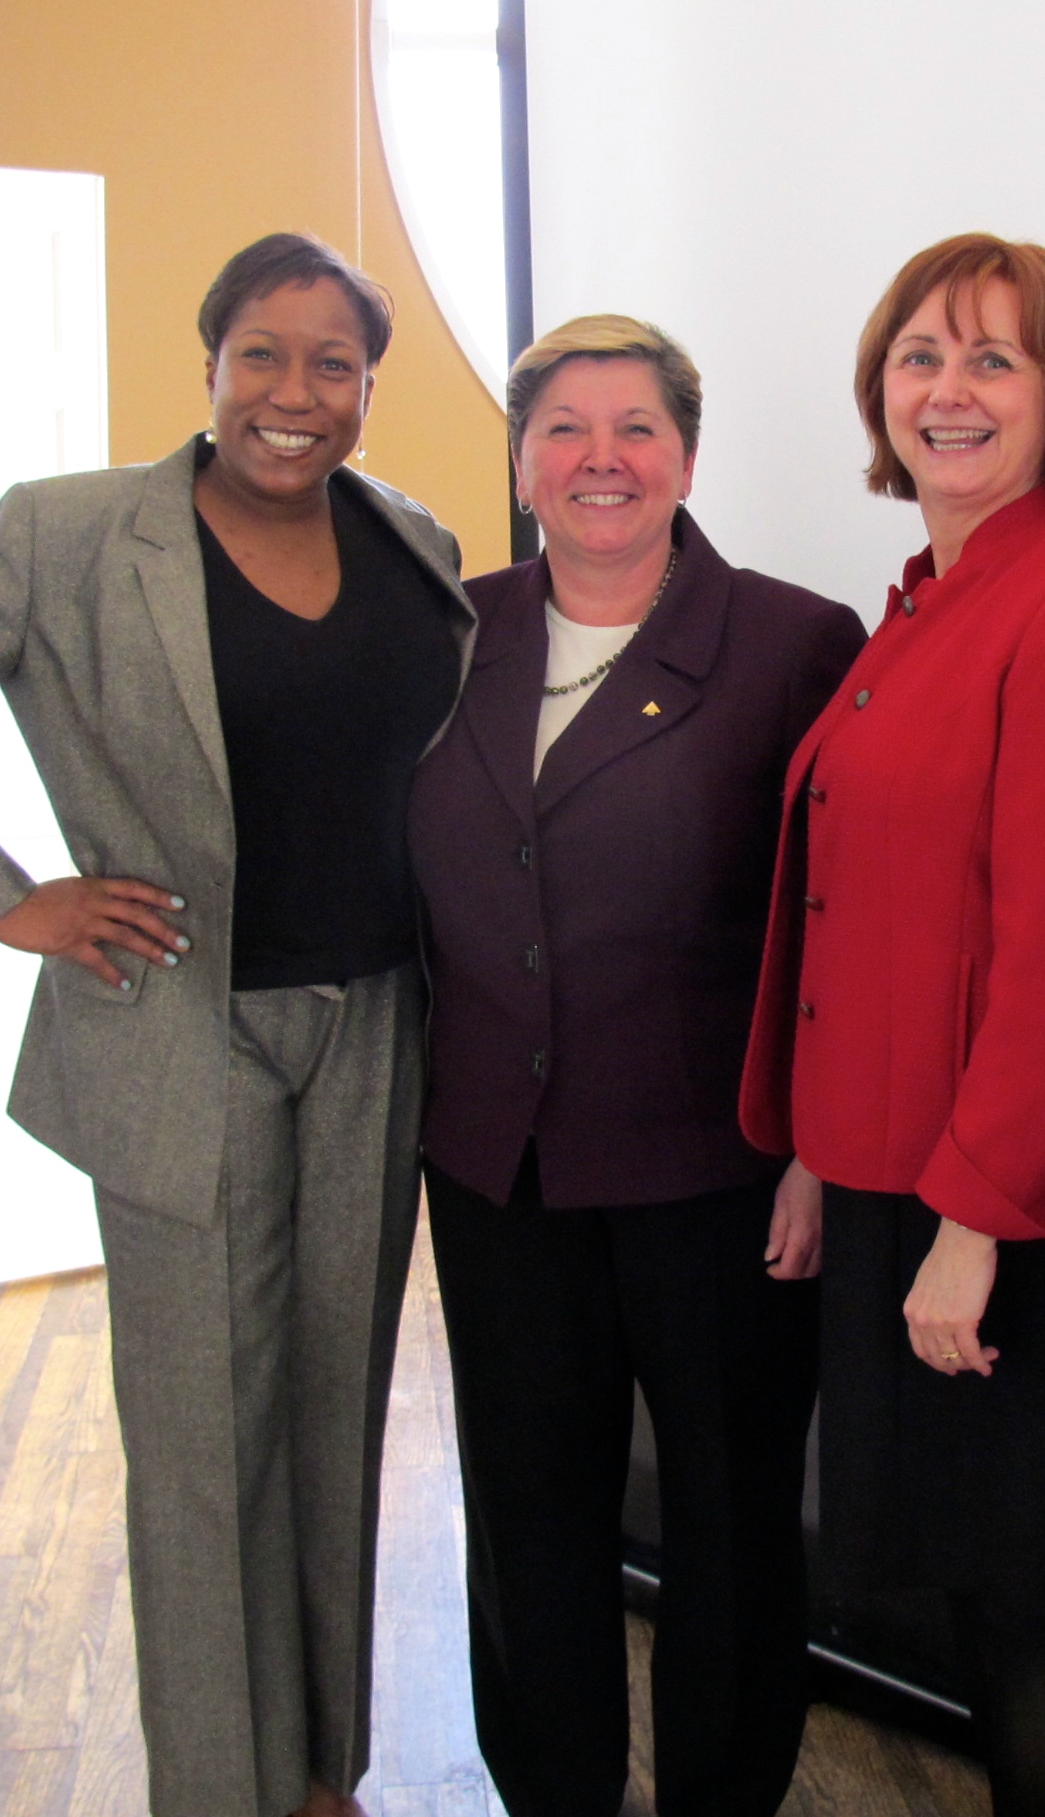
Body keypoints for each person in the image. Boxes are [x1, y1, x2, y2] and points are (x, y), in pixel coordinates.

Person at [0, 232, 475, 1817]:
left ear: (368, 386)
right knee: (197, 1444)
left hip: (374, 1027)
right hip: (182, 1032)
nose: (294, 396)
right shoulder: (72, 536)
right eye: (262, 356)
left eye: (333, 364)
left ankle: (322, 1768)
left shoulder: (419, 545)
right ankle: (219, 1790)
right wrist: (3, 890)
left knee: (332, 1414)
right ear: (210, 362)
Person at [406, 314, 864, 1817]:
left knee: (732, 1522)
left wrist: (814, 1145)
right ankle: (553, 1789)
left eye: (636, 428)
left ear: (686, 452)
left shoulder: (796, 641)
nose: (600, 458)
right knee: (528, 1515)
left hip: (718, 1174)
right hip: (499, 1173)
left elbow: (840, 916)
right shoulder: (452, 634)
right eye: (564, 429)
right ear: (523, 455)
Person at [740, 234, 1045, 1817]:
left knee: (1028, 1599)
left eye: (997, 357)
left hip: (1015, 1208)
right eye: (923, 354)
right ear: (881, 391)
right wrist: (809, 1154)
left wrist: (973, 1219)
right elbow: (855, 927)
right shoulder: (924, 605)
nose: (952, 388)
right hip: (898, 1186)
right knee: (969, 1587)